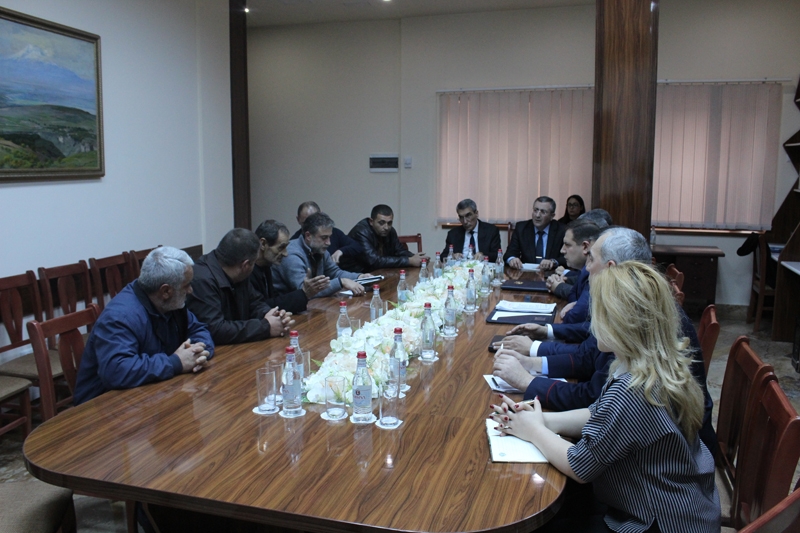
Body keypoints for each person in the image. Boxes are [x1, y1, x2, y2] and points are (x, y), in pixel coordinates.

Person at [489, 262, 720, 533]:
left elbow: (579, 466)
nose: (590, 324)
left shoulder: (633, 390)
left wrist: (534, 431)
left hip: (657, 522)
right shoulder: (650, 364)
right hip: (683, 507)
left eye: (597, 313)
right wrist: (543, 420)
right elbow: (597, 413)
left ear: (620, 323)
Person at [492, 227, 718, 455]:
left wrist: (529, 390)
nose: (586, 268)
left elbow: (583, 451)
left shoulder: (634, 330)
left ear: (610, 268)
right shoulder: (639, 306)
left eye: (591, 258)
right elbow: (591, 368)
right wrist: (539, 406)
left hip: (671, 457)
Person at [73, 247, 213, 405]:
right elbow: (117, 371)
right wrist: (176, 362)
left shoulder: (171, 303)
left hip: (151, 393)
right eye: (186, 285)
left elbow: (199, 329)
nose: (190, 290)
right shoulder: (120, 317)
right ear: (165, 291)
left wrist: (197, 353)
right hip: (101, 406)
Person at [187, 228, 294, 345]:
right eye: (254, 263)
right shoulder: (202, 280)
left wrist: (271, 314)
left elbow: (255, 302)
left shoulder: (238, 273)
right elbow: (215, 329)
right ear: (246, 265)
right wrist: (266, 326)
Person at [273, 212, 370, 298]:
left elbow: (335, 273)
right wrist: (341, 282)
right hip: (285, 308)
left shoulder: (319, 250)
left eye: (329, 237)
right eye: (324, 238)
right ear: (308, 236)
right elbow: (305, 290)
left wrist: (359, 277)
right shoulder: (292, 255)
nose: (329, 243)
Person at [251, 219, 329, 313]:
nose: (285, 254)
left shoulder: (266, 266)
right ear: (263, 244)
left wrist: (303, 294)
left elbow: (274, 300)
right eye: (281, 247)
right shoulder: (248, 271)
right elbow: (262, 307)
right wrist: (304, 293)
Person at [341, 204, 427, 272]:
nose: (386, 227)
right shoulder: (361, 232)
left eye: (389, 223)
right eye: (381, 223)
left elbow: (399, 250)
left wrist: (416, 258)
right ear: (371, 221)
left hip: (376, 272)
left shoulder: (390, 231)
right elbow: (374, 261)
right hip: (353, 275)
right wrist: (409, 261)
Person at [545, 219, 599, 309]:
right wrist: (565, 280)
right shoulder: (586, 270)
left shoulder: (598, 270)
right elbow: (581, 279)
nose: (562, 250)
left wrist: (559, 287)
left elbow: (583, 300)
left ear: (585, 247)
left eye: (567, 245)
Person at [290, 201, 363, 265]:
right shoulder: (293, 246)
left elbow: (357, 246)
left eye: (316, 221)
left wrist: (341, 251)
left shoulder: (334, 232)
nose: (328, 243)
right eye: (306, 222)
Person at [505, 196, 566, 270]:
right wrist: (512, 259)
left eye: (543, 212)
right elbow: (509, 253)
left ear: (552, 216)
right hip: (526, 273)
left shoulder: (562, 230)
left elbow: (567, 258)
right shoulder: (521, 228)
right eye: (535, 210)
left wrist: (553, 262)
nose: (537, 215)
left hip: (551, 273)